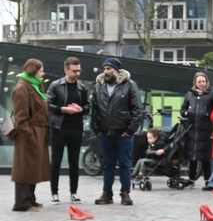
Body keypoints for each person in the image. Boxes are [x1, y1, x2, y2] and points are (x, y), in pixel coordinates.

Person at [90, 57, 144, 205]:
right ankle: (107, 193)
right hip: (105, 133)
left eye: (109, 69)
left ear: (117, 71)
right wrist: (97, 130)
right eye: (104, 69)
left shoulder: (129, 85)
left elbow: (138, 110)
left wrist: (129, 131)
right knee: (108, 163)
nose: (106, 72)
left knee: (125, 163)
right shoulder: (98, 86)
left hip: (123, 133)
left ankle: (125, 193)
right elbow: (93, 109)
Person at [47, 56, 89, 204]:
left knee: (74, 161)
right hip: (58, 128)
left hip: (76, 128)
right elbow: (48, 105)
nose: (77, 74)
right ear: (66, 70)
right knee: (56, 161)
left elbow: (88, 107)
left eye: (79, 70)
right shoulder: (55, 86)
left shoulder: (82, 87)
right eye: (74, 71)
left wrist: (81, 109)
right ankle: (54, 193)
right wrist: (63, 109)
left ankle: (74, 192)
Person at [10, 58, 50, 211]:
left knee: (33, 167)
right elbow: (21, 117)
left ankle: (31, 199)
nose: (43, 73)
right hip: (28, 132)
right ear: (33, 70)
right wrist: (29, 136)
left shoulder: (35, 85)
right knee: (24, 168)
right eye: (40, 70)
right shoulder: (22, 88)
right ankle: (22, 202)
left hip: (38, 130)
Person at [180, 72, 213, 189]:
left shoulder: (212, 94)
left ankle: (207, 179)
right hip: (191, 129)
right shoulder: (189, 94)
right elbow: (183, 108)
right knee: (192, 155)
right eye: (199, 82)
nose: (202, 84)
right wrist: (185, 113)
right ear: (195, 82)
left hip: (206, 130)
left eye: (203, 82)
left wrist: (209, 114)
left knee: (205, 156)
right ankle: (191, 179)